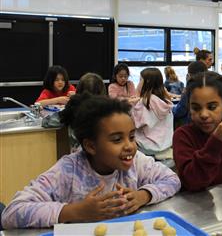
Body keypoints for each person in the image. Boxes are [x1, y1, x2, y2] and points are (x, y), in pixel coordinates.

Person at [1, 95, 181, 229]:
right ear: (91, 146)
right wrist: (75, 211)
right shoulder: (67, 170)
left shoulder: (136, 162)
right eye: (117, 139)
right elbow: (13, 212)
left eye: (132, 137)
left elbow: (172, 179)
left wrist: (143, 195)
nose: (130, 146)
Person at [43, 72, 107, 151]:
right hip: (106, 155)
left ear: (79, 89)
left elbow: (49, 122)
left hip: (80, 157)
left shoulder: (74, 107)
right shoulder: (109, 108)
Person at [132, 68, 174, 158]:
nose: (138, 83)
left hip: (148, 147)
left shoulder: (145, 102)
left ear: (146, 82)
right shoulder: (165, 101)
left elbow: (135, 124)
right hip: (166, 145)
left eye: (140, 80)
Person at [173, 61, 208, 126]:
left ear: (188, 75)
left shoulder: (189, 91)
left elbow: (180, 111)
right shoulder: (210, 88)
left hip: (189, 127)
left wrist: (172, 108)